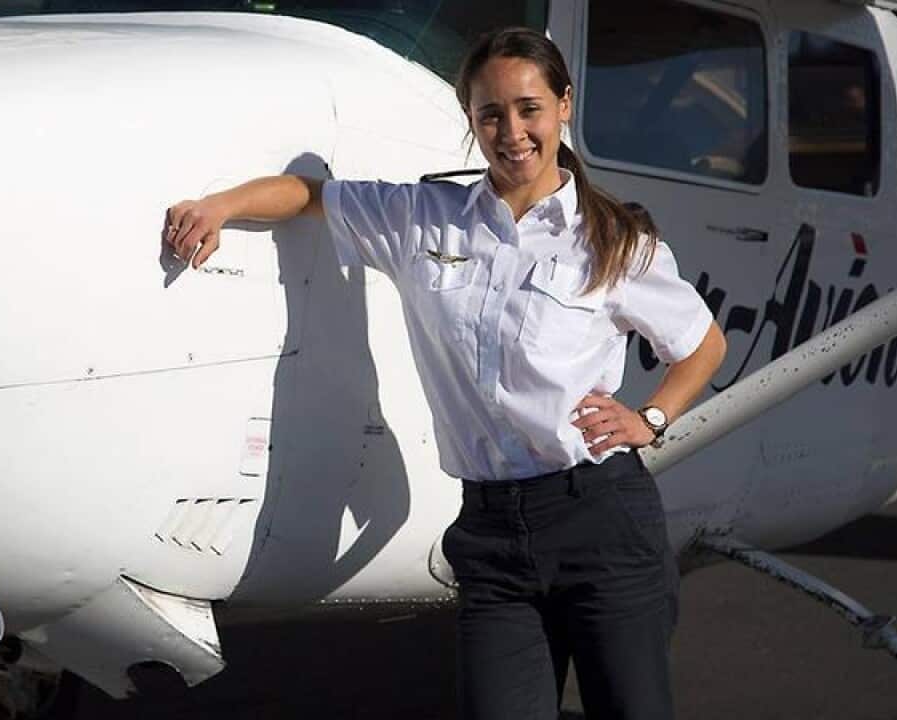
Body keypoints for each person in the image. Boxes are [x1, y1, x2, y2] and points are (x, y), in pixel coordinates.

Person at [163, 27, 726, 720]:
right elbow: (311, 195)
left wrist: (651, 419)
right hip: (490, 537)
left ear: (563, 108)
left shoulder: (611, 240)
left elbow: (701, 345)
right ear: (472, 120)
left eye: (529, 109)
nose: (511, 132)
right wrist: (220, 206)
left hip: (600, 521)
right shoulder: (425, 220)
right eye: (490, 114)